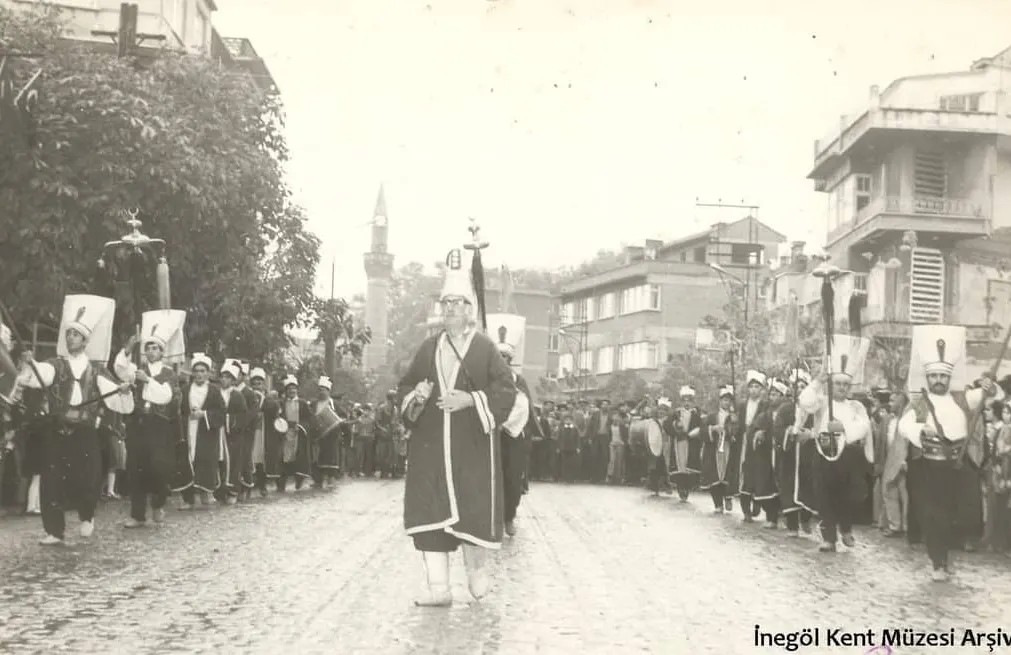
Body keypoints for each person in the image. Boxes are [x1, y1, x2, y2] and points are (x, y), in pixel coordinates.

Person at [397, 250, 517, 607]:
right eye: (445, 303)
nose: (450, 309)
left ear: (470, 309)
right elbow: (405, 387)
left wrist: (472, 400)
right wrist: (416, 396)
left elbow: (505, 389)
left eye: (457, 303)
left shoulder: (485, 349)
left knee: (472, 513)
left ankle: (477, 575)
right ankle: (438, 588)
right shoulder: (428, 348)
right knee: (431, 515)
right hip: (431, 451)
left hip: (471, 450)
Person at [16, 296, 133, 544]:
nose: (70, 338)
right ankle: (54, 531)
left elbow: (117, 398)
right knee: (51, 479)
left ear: (85, 340)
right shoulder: (55, 364)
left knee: (88, 478)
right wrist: (31, 364)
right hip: (57, 429)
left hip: (85, 431)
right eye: (68, 334)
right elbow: (40, 376)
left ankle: (87, 516)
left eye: (76, 335)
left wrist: (123, 390)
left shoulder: (97, 370)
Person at [898, 325, 1004, 581]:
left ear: (949, 378)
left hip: (957, 467)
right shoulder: (921, 403)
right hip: (929, 468)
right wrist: (919, 432)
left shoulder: (962, 398)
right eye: (934, 376)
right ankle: (938, 562)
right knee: (934, 516)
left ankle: (945, 557)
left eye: (943, 377)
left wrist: (990, 386)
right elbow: (904, 425)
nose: (938, 381)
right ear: (928, 377)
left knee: (958, 516)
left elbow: (995, 395)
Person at [797, 334, 872, 553]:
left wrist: (843, 431)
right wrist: (819, 380)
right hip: (823, 455)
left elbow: (864, 426)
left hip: (848, 457)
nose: (841, 387)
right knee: (825, 496)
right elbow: (805, 402)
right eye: (837, 383)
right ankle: (829, 537)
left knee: (848, 496)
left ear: (849, 387)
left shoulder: (856, 406)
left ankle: (846, 528)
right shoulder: (821, 402)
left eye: (845, 384)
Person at [113, 318, 180, 528]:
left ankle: (158, 502)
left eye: (155, 348)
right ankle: (137, 515)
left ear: (162, 352)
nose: (151, 351)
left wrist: (147, 380)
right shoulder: (137, 368)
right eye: (148, 348)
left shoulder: (168, 373)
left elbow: (166, 396)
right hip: (138, 424)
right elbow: (120, 369)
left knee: (159, 468)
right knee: (136, 468)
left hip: (159, 426)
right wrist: (128, 348)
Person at [496, 339, 537, 537]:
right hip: (493, 434)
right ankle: (492, 520)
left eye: (506, 357)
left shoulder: (518, 381)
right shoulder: (488, 380)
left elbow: (524, 406)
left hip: (514, 436)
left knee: (513, 479)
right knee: (492, 477)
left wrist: (508, 424)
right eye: (499, 357)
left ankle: (509, 517)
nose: (502, 360)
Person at [179, 353, 227, 509]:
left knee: (205, 461)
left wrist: (204, 414)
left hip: (206, 431)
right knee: (187, 460)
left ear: (208, 373)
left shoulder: (214, 391)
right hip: (189, 429)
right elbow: (180, 410)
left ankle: (206, 493)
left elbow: (221, 413)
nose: (199, 374)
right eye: (197, 371)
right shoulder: (185, 389)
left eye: (202, 371)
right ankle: (188, 499)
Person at [775, 369, 815, 537]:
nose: (800, 389)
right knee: (789, 487)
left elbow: (821, 428)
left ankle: (805, 518)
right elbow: (777, 430)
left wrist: (811, 434)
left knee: (809, 486)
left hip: (808, 455)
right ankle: (792, 525)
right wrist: (788, 431)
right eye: (797, 386)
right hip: (790, 455)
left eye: (803, 386)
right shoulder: (785, 409)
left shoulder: (815, 409)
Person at [730, 370, 768, 522]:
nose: (754, 390)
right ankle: (745, 509)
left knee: (757, 472)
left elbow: (767, 423)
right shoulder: (741, 406)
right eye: (751, 386)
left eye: (757, 387)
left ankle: (757, 501)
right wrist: (734, 422)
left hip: (758, 444)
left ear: (762, 389)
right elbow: (736, 427)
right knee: (743, 473)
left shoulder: (765, 406)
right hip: (743, 442)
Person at [749, 378, 788, 528]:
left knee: (783, 485)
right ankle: (771, 517)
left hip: (783, 453)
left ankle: (787, 516)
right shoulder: (766, 413)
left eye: (776, 394)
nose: (773, 397)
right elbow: (756, 426)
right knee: (767, 485)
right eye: (771, 394)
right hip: (768, 454)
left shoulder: (788, 412)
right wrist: (759, 432)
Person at [877, 391, 910, 537]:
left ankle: (907, 525)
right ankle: (894, 525)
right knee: (889, 491)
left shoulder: (908, 419)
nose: (890, 404)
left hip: (904, 461)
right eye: (890, 401)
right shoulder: (887, 420)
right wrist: (880, 462)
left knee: (906, 494)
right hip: (889, 460)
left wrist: (905, 460)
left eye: (893, 401)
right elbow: (881, 441)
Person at [700, 383, 737, 513]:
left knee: (728, 475)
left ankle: (728, 497)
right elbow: (702, 430)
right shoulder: (712, 416)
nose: (726, 403)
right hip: (714, 449)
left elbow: (738, 432)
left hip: (729, 448)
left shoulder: (734, 417)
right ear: (720, 401)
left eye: (729, 400)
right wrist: (713, 428)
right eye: (724, 400)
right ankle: (718, 504)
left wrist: (733, 427)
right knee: (714, 477)